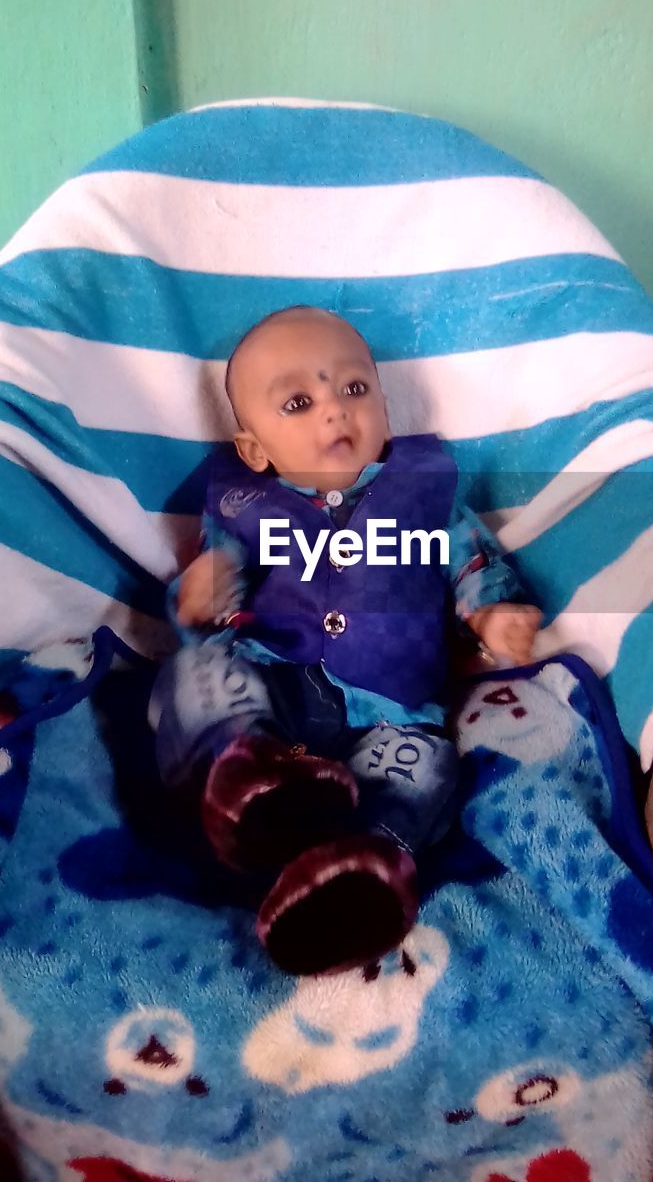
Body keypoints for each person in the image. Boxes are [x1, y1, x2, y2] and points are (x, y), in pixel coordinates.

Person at [151, 306, 541, 975]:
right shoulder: (243, 508)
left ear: (385, 408)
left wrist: (490, 615)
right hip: (270, 686)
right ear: (254, 449)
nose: (334, 412)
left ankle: (361, 866)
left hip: (388, 711)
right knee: (194, 676)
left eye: (354, 390)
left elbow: (469, 561)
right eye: (298, 402)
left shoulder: (426, 495)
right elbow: (208, 601)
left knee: (428, 768)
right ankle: (244, 776)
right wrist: (198, 594)